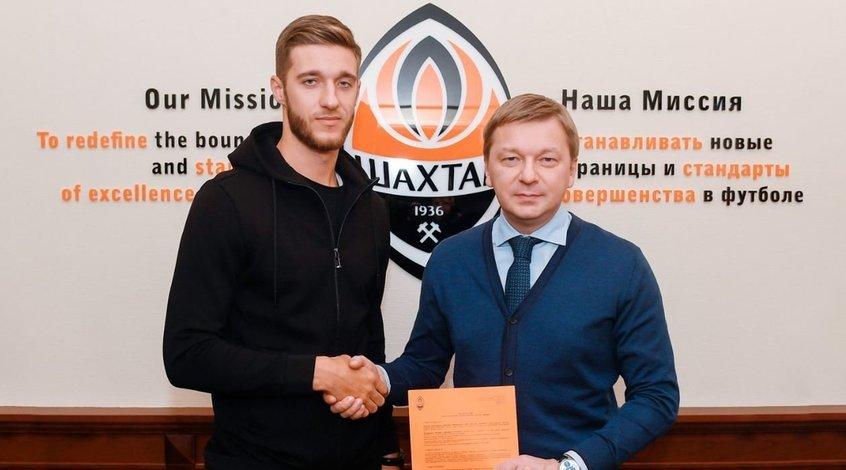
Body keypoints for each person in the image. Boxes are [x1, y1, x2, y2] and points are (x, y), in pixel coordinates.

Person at [328, 94, 679, 470]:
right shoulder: (451, 260)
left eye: (547, 159)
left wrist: (569, 465)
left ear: (572, 170)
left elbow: (656, 395)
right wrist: (376, 378)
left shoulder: (621, 264)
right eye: (511, 159)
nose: (528, 175)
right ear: (487, 169)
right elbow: (424, 365)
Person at [163, 15, 399, 470]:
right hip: (253, 460)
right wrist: (316, 373)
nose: (330, 100)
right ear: (279, 89)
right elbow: (186, 354)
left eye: (344, 83)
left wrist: (383, 439)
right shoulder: (226, 201)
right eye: (311, 81)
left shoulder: (371, 207)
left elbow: (369, 338)